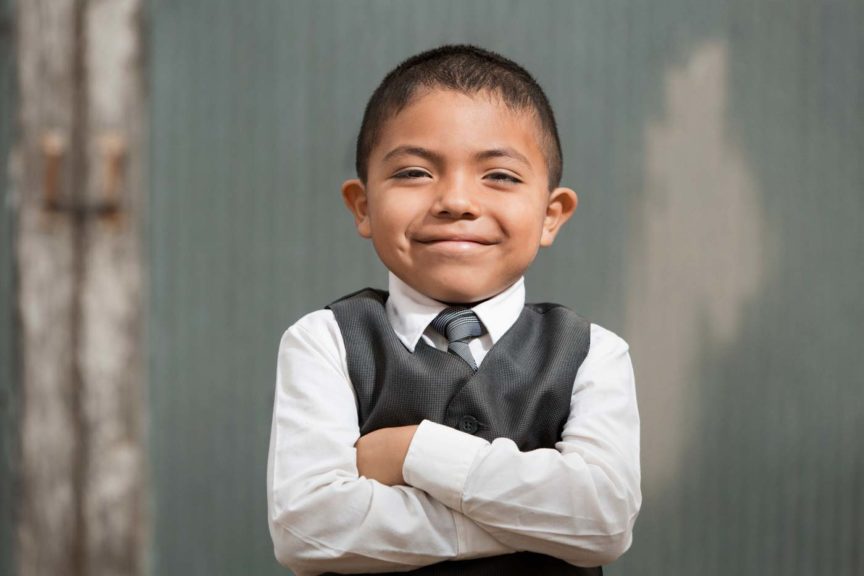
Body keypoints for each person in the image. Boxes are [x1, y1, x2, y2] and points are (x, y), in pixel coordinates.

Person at [266, 44, 641, 576]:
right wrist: (538, 523)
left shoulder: (593, 353)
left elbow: (604, 523)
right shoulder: (323, 341)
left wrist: (413, 452)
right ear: (363, 206)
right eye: (415, 172)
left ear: (551, 215)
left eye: (501, 176)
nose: (456, 201)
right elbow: (307, 528)